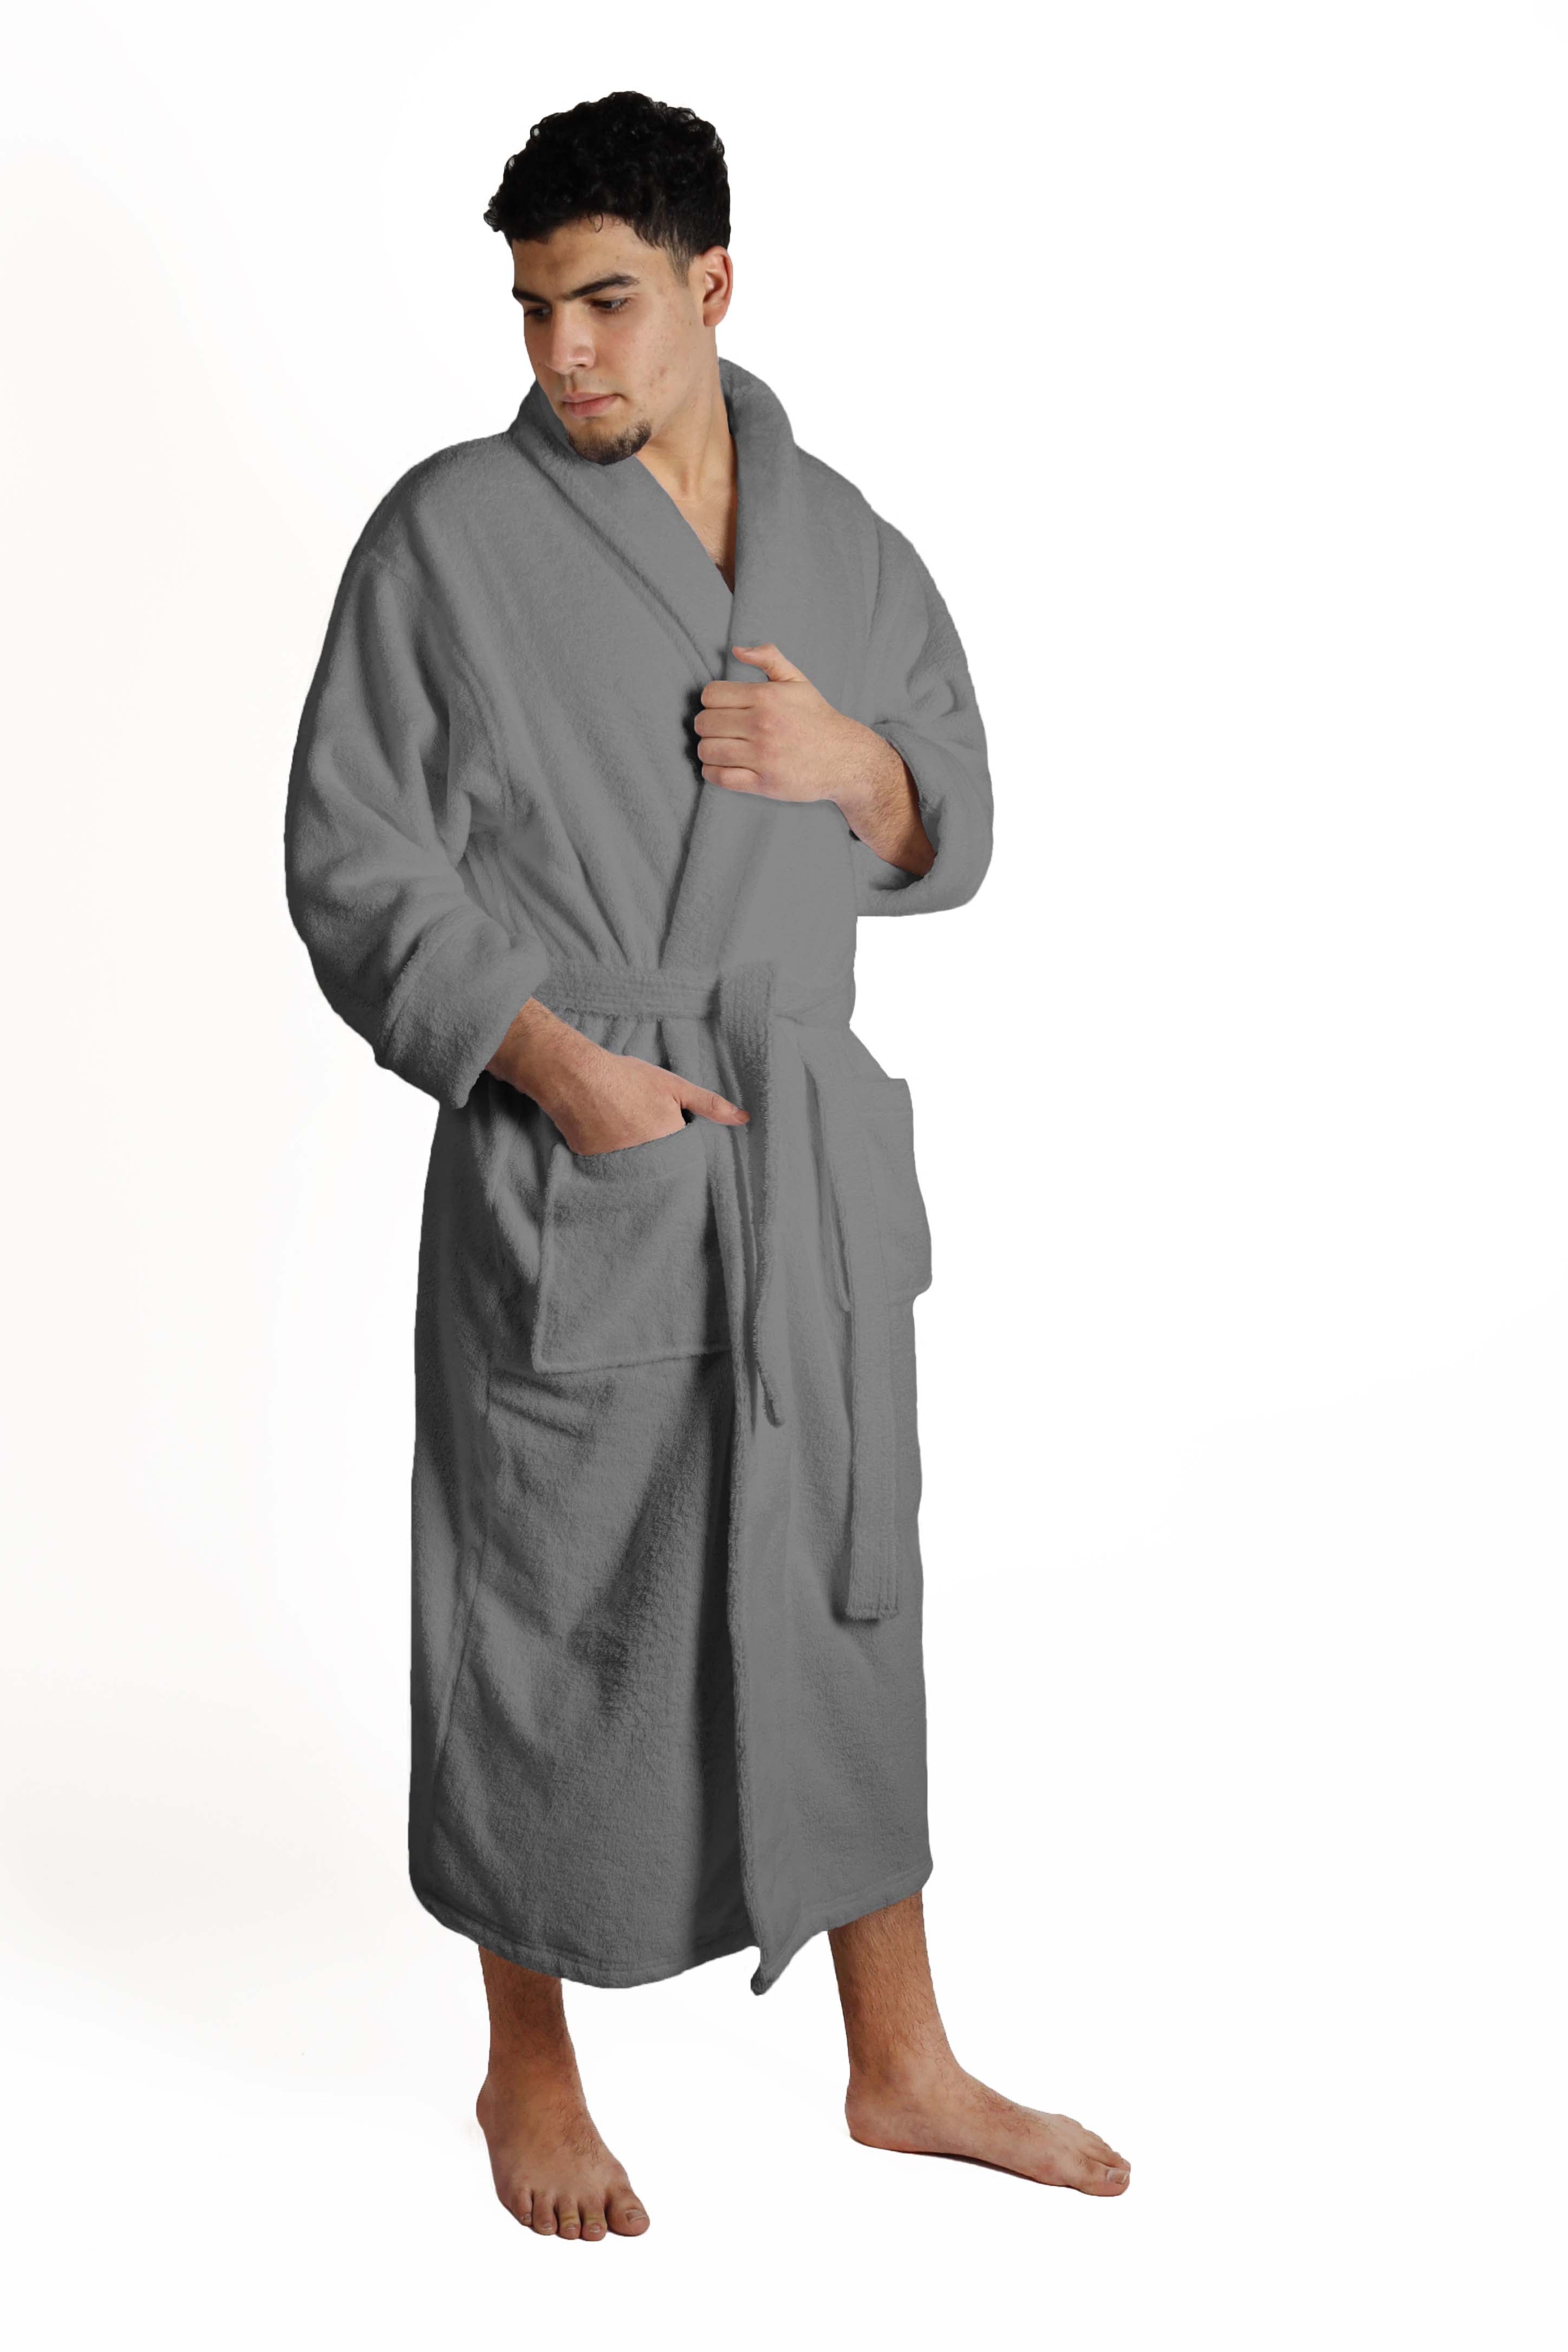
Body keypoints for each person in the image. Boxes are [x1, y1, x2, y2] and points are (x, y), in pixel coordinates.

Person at [285, 90, 1128, 2239]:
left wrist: (857, 765)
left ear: (712, 284)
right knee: (544, 1595)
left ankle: (900, 2061)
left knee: (845, 1588)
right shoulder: (445, 537)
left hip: (802, 1160)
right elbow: (352, 855)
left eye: (604, 301)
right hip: (582, 1143)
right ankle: (527, 2061)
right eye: (532, 308)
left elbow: (952, 815)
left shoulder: (842, 541)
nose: (561, 350)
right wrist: (555, 1066)